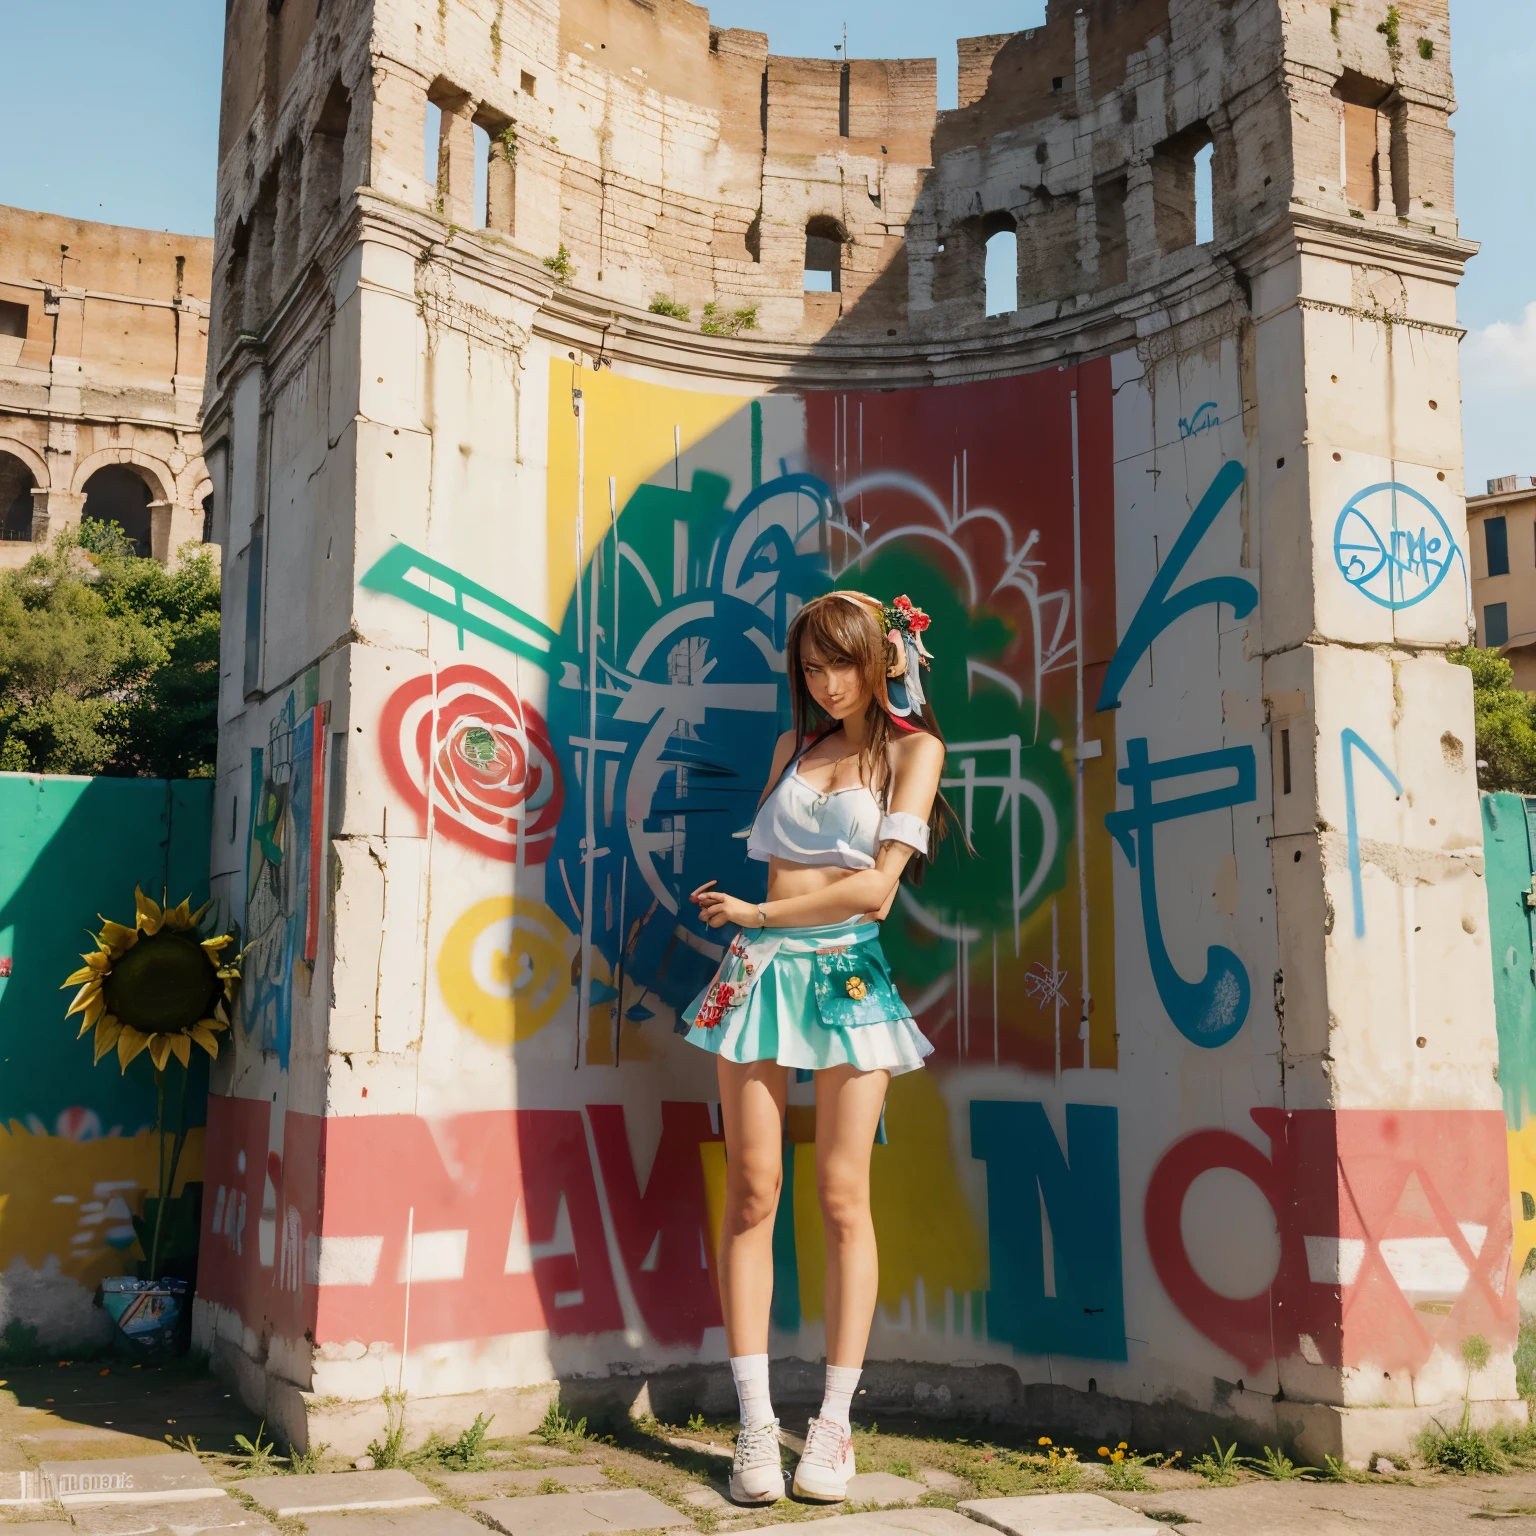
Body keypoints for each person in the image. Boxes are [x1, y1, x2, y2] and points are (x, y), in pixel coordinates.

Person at [681, 589, 961, 1504]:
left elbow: (876, 894)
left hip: (846, 977)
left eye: (840, 662)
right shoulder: (790, 751)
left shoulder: (916, 753)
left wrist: (760, 911)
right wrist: (754, 921)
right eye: (810, 666)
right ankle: (756, 1423)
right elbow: (782, 869)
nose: (826, 682)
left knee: (844, 1196)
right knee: (753, 1192)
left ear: (884, 660)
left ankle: (833, 1426)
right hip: (757, 975)